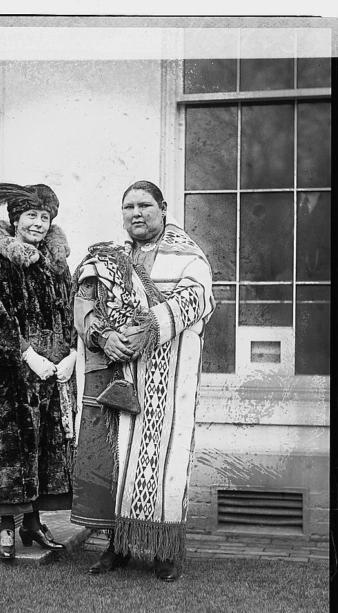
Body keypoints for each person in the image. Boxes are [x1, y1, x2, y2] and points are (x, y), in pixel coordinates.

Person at [70, 180, 214, 581]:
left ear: (163, 209)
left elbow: (196, 299)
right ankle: (116, 548)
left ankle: (165, 553)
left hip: (166, 381)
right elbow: (84, 305)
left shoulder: (188, 257)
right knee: (119, 466)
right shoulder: (110, 259)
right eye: (129, 206)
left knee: (163, 465)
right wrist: (104, 337)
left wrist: (146, 328)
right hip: (117, 378)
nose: (137, 213)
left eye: (145, 205)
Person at [0, 183, 77, 561]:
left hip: (50, 380)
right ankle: (7, 527)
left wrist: (71, 355)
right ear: (15, 220)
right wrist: (27, 355)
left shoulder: (58, 266)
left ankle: (33, 524)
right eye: (31, 216)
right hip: (9, 381)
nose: (39, 224)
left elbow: (71, 313)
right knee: (10, 452)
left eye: (45, 217)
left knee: (43, 452)